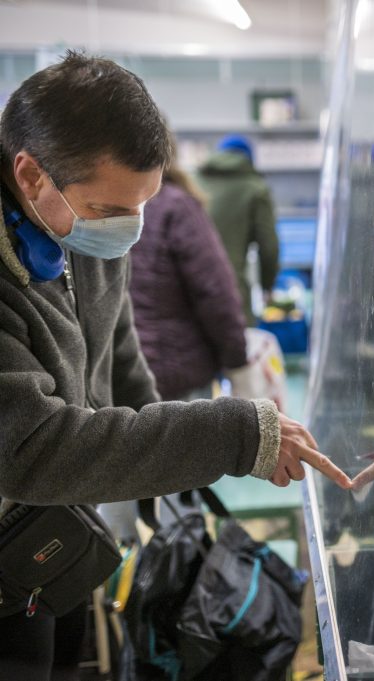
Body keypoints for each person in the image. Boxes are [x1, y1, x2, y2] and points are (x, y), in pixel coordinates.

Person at [0, 52, 350, 679]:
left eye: (143, 205)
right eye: (112, 210)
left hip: (62, 528)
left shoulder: (84, 223)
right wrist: (233, 434)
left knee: (70, 650)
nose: (129, 228)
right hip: (9, 540)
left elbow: (122, 355)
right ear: (30, 176)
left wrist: (166, 487)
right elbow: (29, 448)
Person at [130, 146, 250, 401]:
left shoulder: (93, 209)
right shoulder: (176, 205)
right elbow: (215, 291)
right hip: (178, 373)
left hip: (119, 378)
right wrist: (237, 360)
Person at [196, 134, 279, 325]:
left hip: (188, 290)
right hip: (230, 289)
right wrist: (268, 286)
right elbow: (269, 246)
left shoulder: (192, 180)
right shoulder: (255, 188)